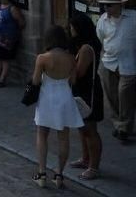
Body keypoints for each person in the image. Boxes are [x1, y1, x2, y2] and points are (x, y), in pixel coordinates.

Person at [32, 25, 84, 189]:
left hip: (47, 98)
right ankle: (59, 174)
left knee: (42, 134)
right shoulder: (71, 58)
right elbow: (73, 81)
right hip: (64, 98)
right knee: (64, 137)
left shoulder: (42, 58)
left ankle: (41, 173)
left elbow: (35, 82)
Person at [95, 0, 136, 142]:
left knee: (124, 95)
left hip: (129, 63)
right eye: (105, 5)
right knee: (112, 96)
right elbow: (101, 39)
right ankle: (120, 126)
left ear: (119, 5)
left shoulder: (132, 18)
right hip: (109, 62)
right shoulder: (102, 20)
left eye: (110, 5)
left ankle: (124, 127)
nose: (106, 8)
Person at [69, 12, 105, 181]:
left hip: (87, 91)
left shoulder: (85, 48)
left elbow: (79, 72)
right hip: (82, 90)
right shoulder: (84, 45)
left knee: (90, 129)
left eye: (72, 27)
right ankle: (85, 159)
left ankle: (94, 166)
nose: (70, 30)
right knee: (82, 127)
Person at [0, 0, 25, 88]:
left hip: (8, 38)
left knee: (5, 59)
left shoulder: (12, 8)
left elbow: (21, 22)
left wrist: (13, 33)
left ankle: (2, 80)